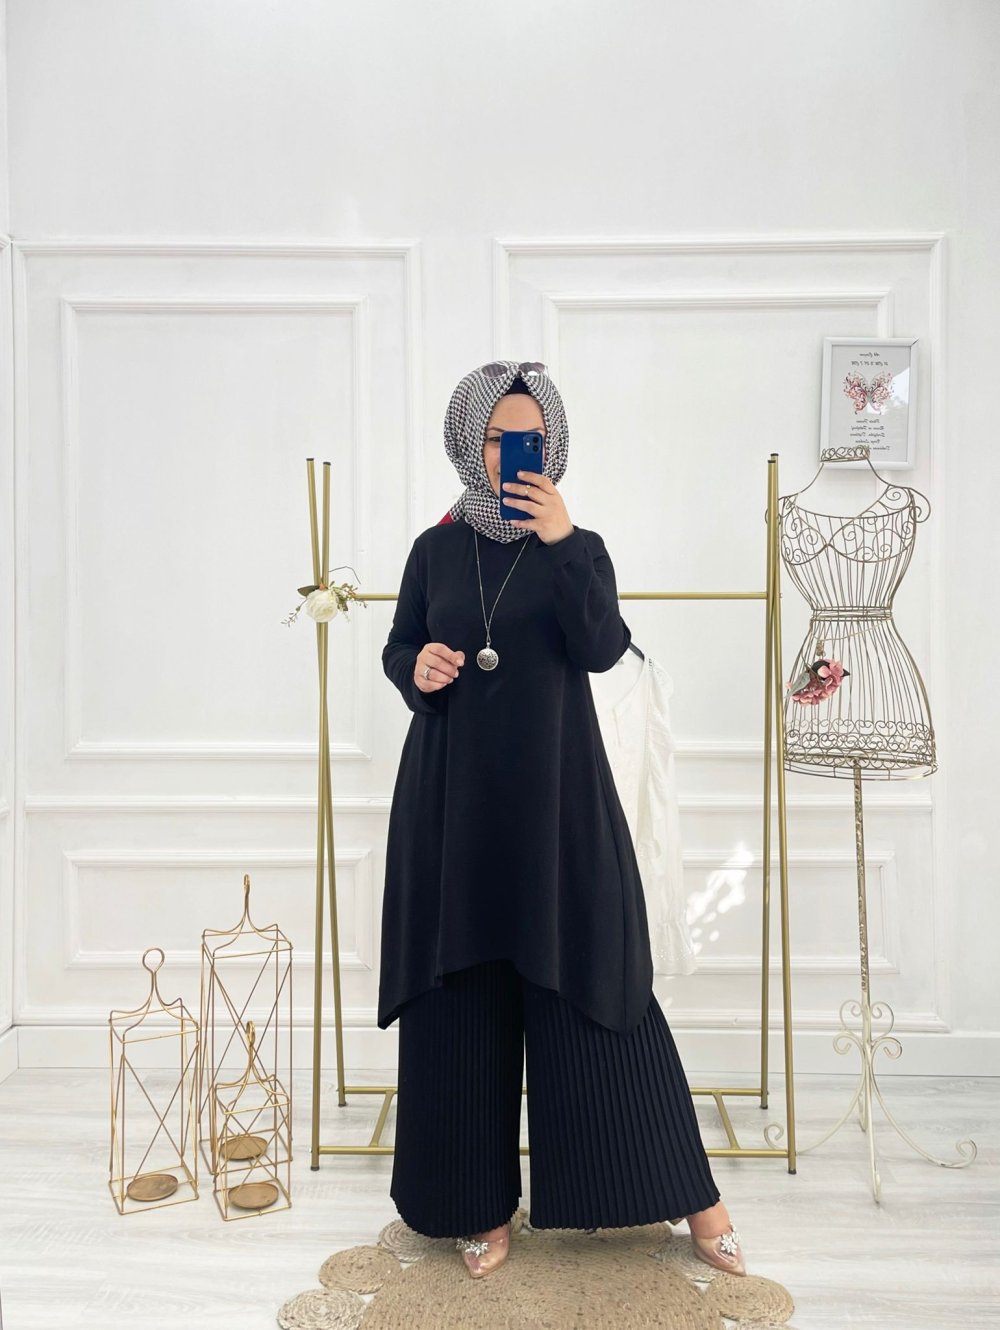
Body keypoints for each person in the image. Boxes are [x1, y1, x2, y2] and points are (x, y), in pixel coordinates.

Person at [379, 359, 747, 1279]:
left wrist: (564, 540)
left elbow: (602, 646)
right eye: (498, 438)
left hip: (557, 799)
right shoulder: (434, 549)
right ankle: (474, 1205)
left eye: (531, 438)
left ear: (555, 444)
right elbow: (400, 646)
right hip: (452, 800)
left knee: (594, 976)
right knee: (461, 989)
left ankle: (692, 1197)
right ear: (468, 443)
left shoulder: (577, 545)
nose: (516, 453)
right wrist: (416, 669)